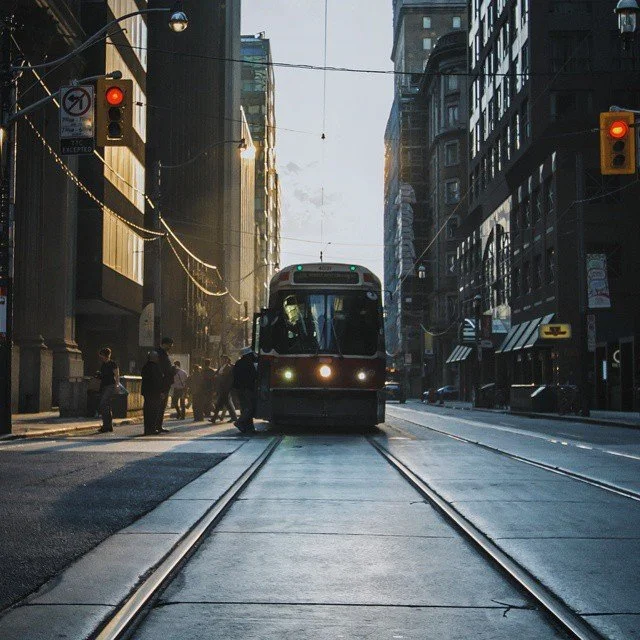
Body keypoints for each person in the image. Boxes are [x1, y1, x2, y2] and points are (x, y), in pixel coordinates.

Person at [232, 346, 257, 434]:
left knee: (244, 408)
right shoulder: (249, 363)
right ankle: (239, 422)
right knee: (250, 408)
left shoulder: (238, 363)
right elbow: (254, 376)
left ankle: (249, 428)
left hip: (239, 389)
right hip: (247, 389)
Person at [141, 351, 164, 435]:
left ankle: (147, 429)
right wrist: (161, 391)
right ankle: (152, 428)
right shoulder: (156, 367)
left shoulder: (145, 367)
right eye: (157, 357)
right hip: (155, 392)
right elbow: (158, 381)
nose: (158, 358)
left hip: (147, 392)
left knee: (147, 411)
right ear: (153, 358)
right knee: (154, 411)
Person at [97, 347, 119, 433]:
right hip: (104, 385)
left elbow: (117, 374)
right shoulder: (103, 364)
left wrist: (117, 385)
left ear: (105, 355)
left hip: (110, 385)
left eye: (102, 355)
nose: (101, 357)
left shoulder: (113, 364)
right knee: (107, 406)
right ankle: (108, 425)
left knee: (103, 404)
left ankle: (106, 425)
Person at [211, 355, 238, 423]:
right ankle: (234, 418)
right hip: (221, 388)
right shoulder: (221, 367)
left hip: (225, 388)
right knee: (227, 404)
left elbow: (226, 377)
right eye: (221, 359)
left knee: (220, 404)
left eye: (223, 359)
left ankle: (214, 418)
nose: (221, 360)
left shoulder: (228, 367)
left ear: (226, 360)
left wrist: (219, 376)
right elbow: (216, 375)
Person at [156, 337, 175, 433]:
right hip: (162, 384)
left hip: (165, 384)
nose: (171, 347)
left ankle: (158, 425)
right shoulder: (160, 354)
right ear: (164, 344)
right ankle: (157, 425)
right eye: (170, 345)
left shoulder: (163, 353)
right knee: (159, 405)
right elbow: (163, 370)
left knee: (162, 406)